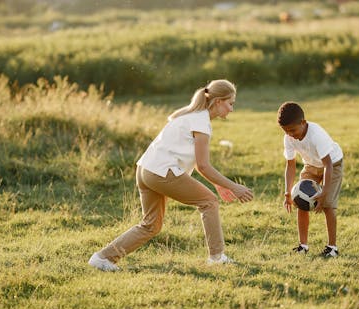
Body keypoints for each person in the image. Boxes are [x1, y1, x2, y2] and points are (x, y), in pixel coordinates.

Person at [89, 79, 254, 271]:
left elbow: (199, 163)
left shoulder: (189, 115)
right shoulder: (201, 122)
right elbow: (203, 166)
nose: (232, 109)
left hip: (145, 170)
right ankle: (217, 258)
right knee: (209, 202)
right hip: (162, 172)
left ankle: (102, 258)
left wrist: (220, 184)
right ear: (218, 101)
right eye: (230, 103)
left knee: (151, 225)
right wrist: (234, 186)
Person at [277, 102, 344, 257]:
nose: (290, 134)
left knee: (328, 205)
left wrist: (324, 192)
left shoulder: (316, 135)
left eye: (293, 130)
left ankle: (332, 248)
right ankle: (303, 245)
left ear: (303, 123)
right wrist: (288, 192)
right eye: (286, 131)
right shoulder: (288, 138)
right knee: (300, 202)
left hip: (333, 164)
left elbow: (328, 164)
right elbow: (291, 165)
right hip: (311, 165)